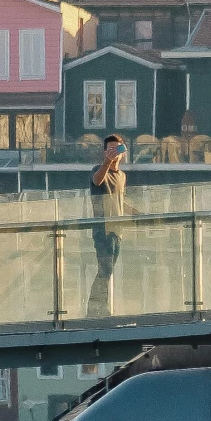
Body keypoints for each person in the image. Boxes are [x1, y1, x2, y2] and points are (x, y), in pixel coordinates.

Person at [88, 133, 127, 313]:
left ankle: (100, 306)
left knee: (108, 271)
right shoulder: (98, 169)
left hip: (117, 230)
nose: (114, 152)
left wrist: (136, 213)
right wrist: (107, 162)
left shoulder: (122, 176)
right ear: (104, 152)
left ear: (123, 152)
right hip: (102, 229)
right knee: (105, 269)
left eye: (117, 149)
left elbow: (119, 199)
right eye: (110, 149)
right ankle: (96, 308)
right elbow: (97, 181)